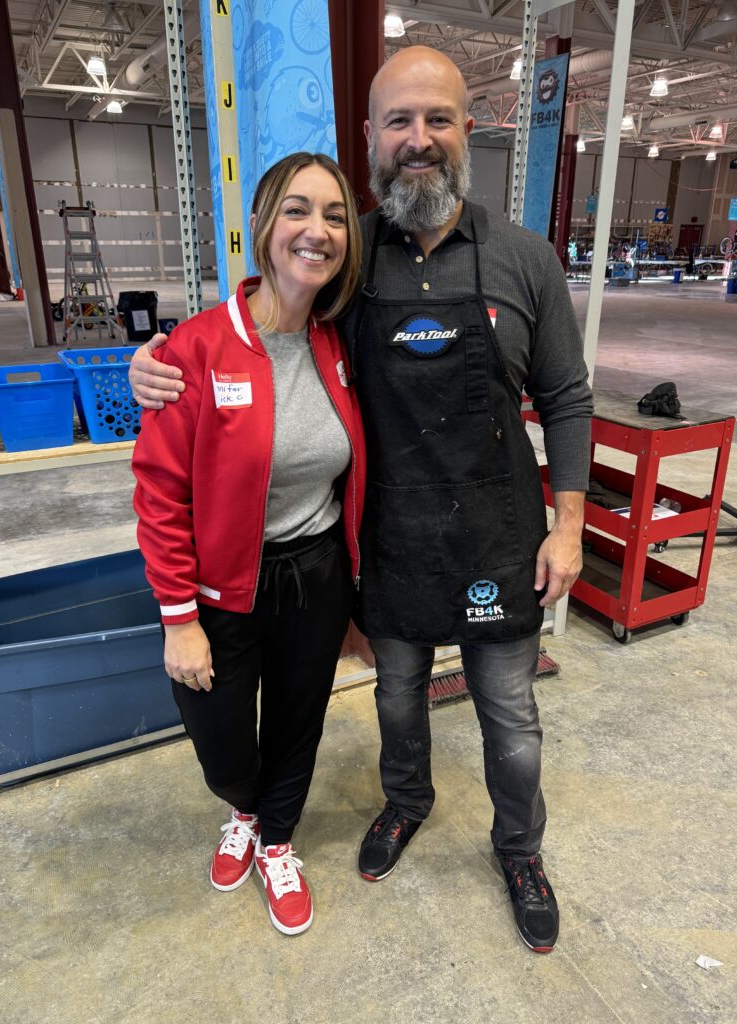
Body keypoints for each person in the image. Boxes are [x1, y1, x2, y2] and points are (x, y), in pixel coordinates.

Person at [129, 47, 593, 954]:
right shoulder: (351, 259)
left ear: (469, 128)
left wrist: (569, 528)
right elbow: (269, 318)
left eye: (438, 119)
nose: (418, 140)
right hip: (387, 545)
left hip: (502, 538)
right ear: (372, 137)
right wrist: (159, 363)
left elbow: (568, 399)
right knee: (395, 704)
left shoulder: (526, 260)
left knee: (511, 719)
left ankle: (521, 851)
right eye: (397, 122)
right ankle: (405, 804)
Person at [131, 152, 366, 937]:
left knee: (300, 718)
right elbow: (161, 493)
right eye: (299, 210)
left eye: (335, 216)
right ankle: (243, 805)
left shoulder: (342, 341)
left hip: (318, 571)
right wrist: (176, 617)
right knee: (222, 735)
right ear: (266, 227)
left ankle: (277, 840)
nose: (318, 231)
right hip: (220, 588)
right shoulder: (195, 350)